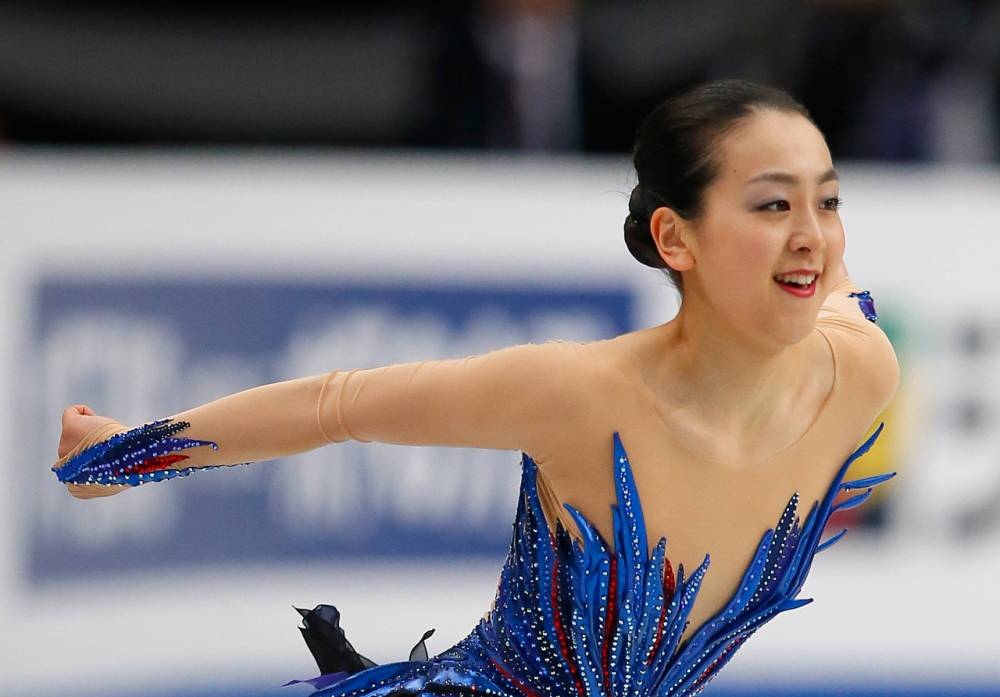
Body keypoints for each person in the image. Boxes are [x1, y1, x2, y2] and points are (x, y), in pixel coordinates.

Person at [52, 79, 900, 696]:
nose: (811, 237)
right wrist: (125, 454)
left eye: (826, 203)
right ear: (675, 238)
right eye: (771, 206)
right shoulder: (583, 396)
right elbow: (337, 403)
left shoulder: (861, 368)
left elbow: (836, 280)